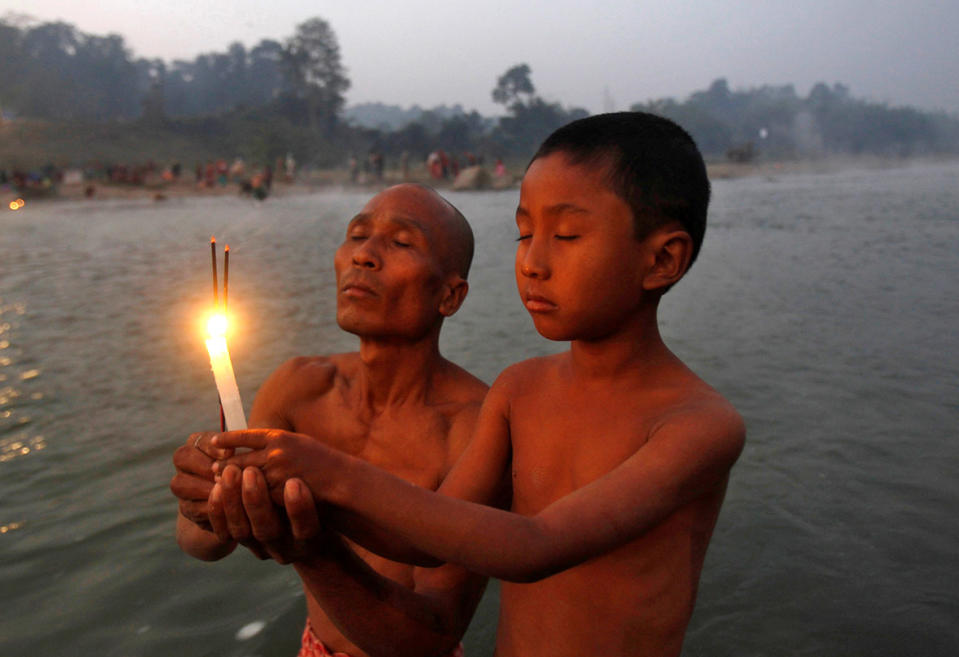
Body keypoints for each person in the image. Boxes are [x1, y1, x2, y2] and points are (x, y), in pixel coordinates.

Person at [215, 112, 746, 657]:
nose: (532, 263)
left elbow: (532, 547)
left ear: (662, 259)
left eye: (565, 234)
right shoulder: (520, 390)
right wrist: (291, 504)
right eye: (525, 232)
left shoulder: (698, 425)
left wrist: (328, 473)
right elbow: (423, 538)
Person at [170, 183, 489, 657]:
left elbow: (432, 633)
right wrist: (206, 496)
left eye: (401, 243)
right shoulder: (299, 388)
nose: (364, 255)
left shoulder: (475, 426)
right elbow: (201, 544)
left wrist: (313, 549)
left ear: (450, 294)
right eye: (356, 235)